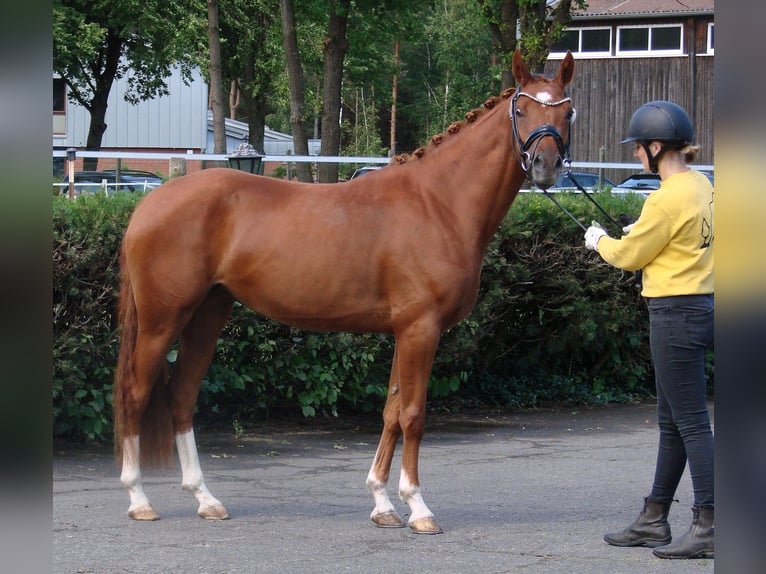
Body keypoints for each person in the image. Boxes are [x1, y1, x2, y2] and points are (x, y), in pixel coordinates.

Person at [584, 100, 714, 560]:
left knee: (693, 423)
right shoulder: (702, 185)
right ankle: (654, 518)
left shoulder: (664, 197)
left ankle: (710, 523)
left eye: (639, 149)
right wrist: (641, 229)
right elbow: (672, 236)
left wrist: (599, 239)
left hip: (673, 313)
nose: (637, 156)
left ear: (656, 146)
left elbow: (628, 256)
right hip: (700, 305)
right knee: (672, 422)